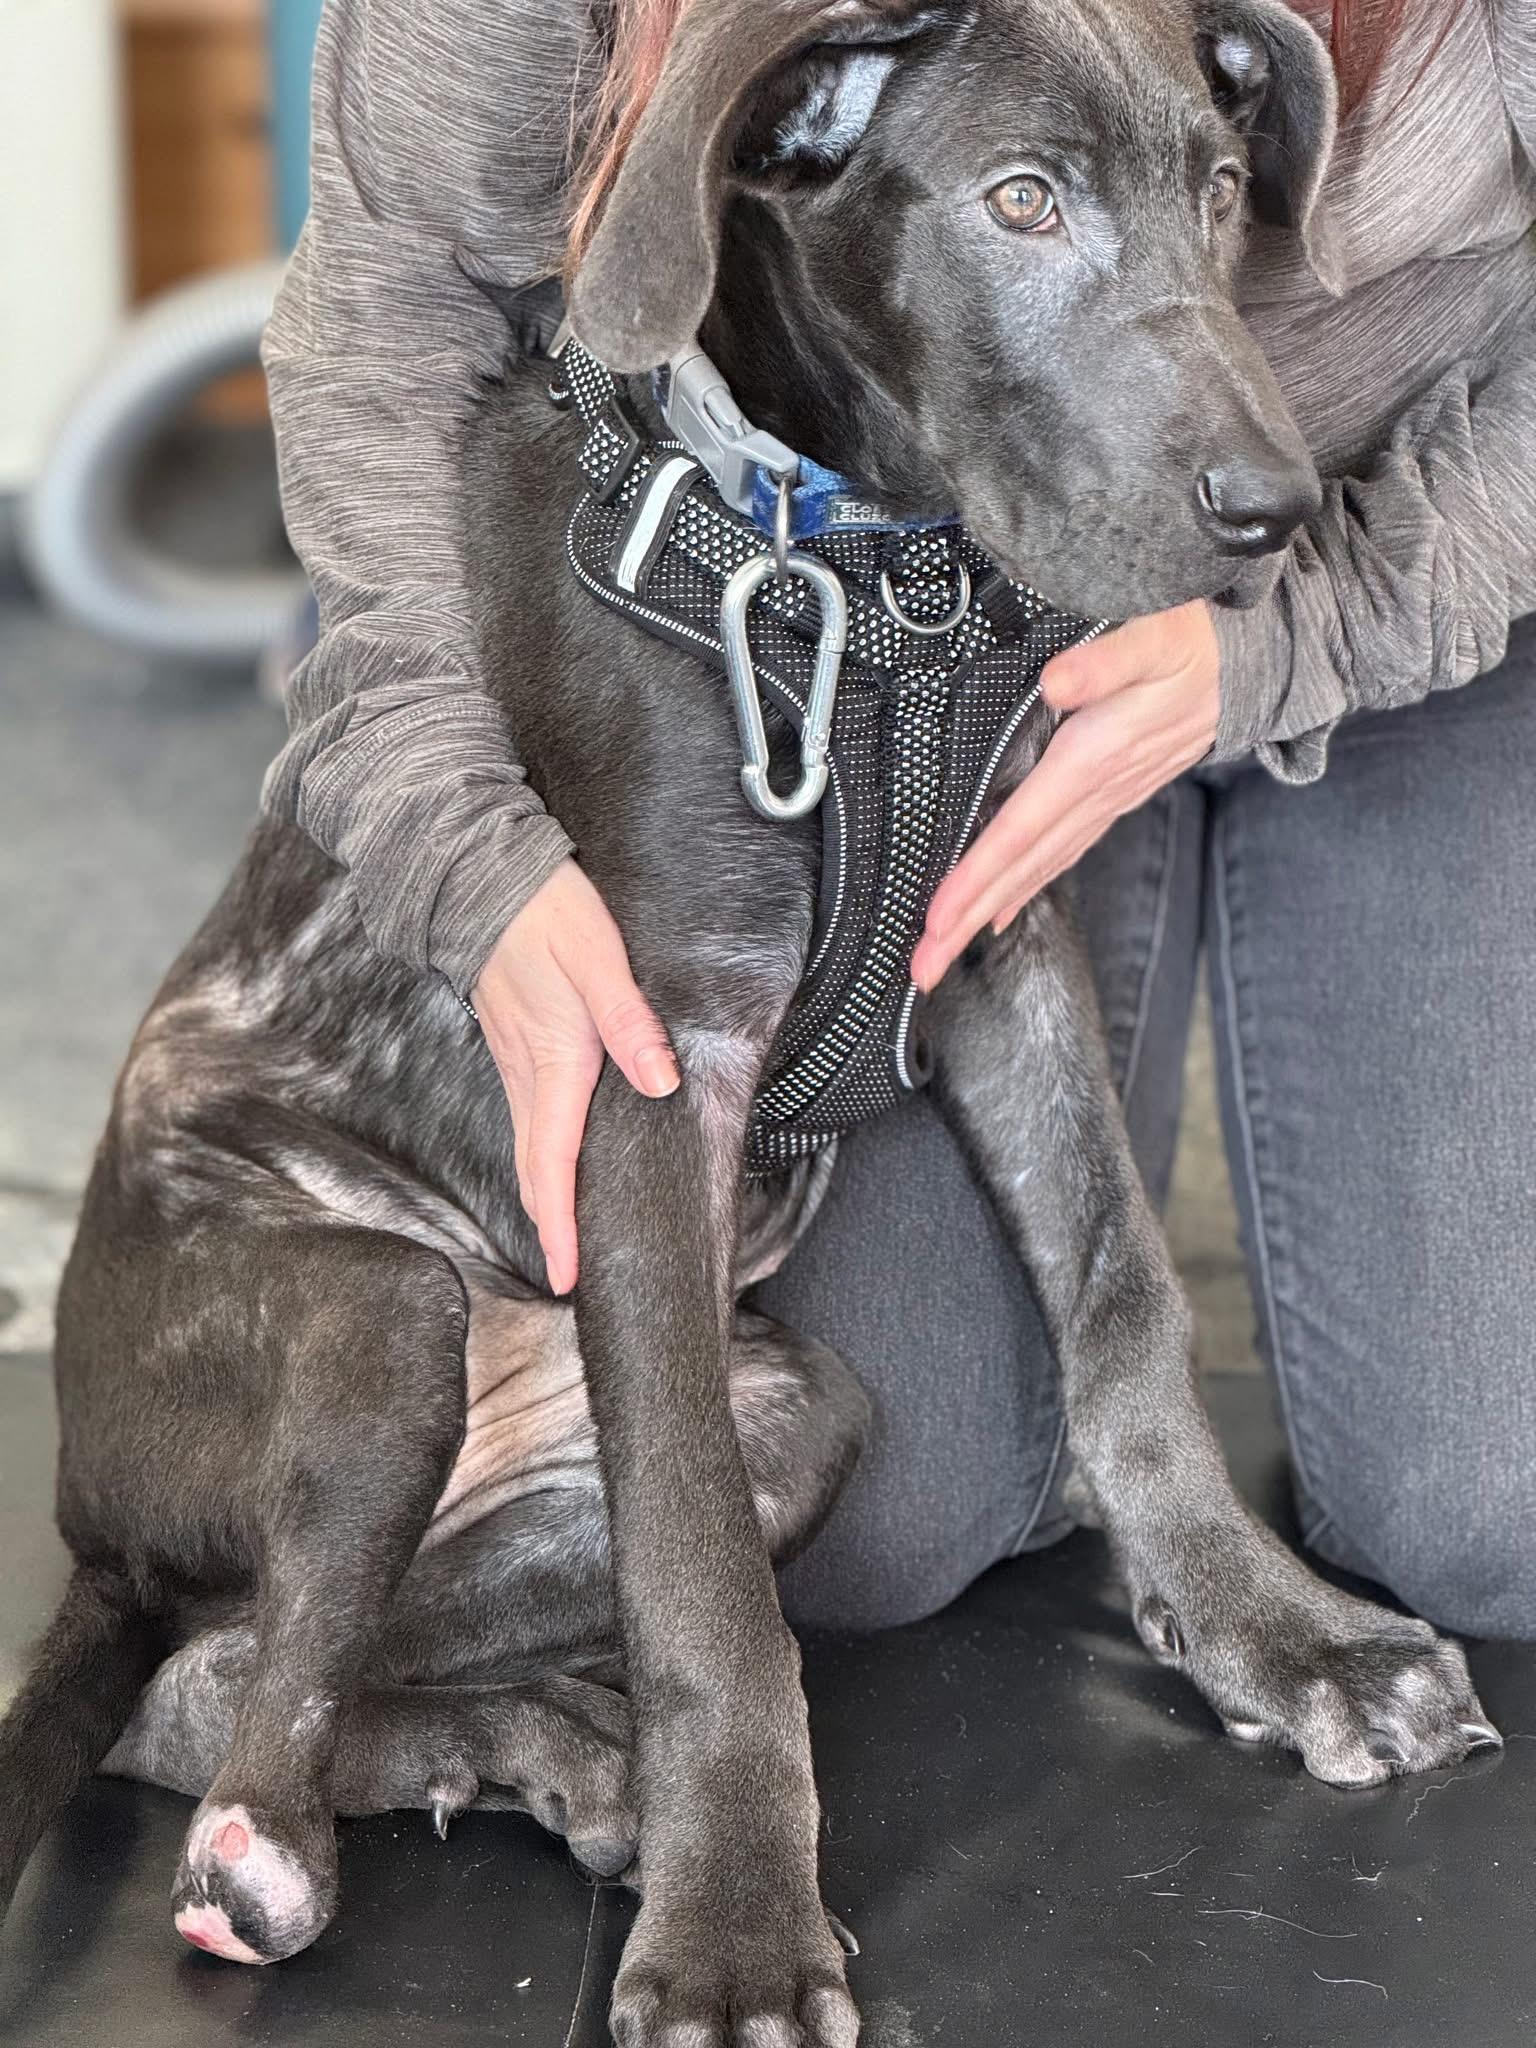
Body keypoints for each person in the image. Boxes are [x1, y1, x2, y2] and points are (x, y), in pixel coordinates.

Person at [262, 0, 1536, 1636]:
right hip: (938, 622)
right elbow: (392, 306)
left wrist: (1304, 639)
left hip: (1423, 572)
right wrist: (459, 838)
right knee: (876, 1524)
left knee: (1498, 1523)